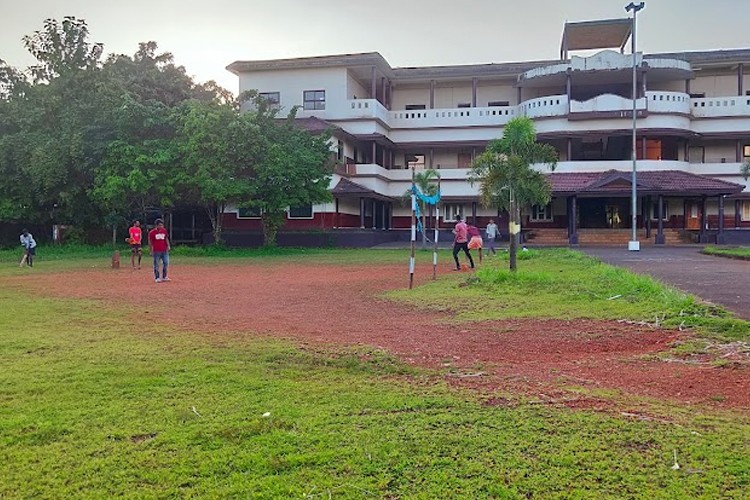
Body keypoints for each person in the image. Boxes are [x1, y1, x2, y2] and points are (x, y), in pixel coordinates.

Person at [148, 218, 171, 283]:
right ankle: (157, 277)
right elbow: (150, 242)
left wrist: (168, 245)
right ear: (156, 225)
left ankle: (164, 276)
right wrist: (150, 250)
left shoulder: (164, 231)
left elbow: (166, 238)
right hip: (156, 250)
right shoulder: (152, 233)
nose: (161, 227)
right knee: (156, 264)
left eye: (162, 225)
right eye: (160, 225)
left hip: (164, 250)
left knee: (166, 262)